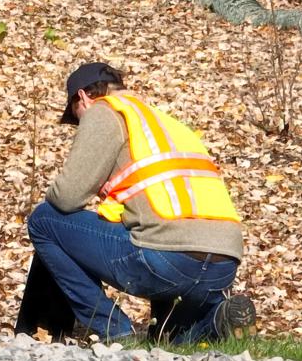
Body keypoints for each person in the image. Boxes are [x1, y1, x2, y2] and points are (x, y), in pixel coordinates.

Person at [22, 61, 256, 345]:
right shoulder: (167, 124)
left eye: (76, 115)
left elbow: (67, 197)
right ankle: (215, 322)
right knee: (168, 341)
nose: (79, 124)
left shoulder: (104, 111)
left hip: (168, 259)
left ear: (82, 97)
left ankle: (114, 329)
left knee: (45, 219)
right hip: (223, 264)